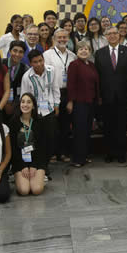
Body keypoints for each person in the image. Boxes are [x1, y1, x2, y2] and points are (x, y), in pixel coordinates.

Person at [95, 26, 127, 163]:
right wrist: (98, 95)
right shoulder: (99, 53)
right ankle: (109, 153)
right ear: (105, 36)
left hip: (123, 96)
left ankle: (121, 154)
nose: (112, 36)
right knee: (108, 126)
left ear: (119, 35)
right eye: (109, 34)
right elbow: (97, 76)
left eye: (115, 33)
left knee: (121, 126)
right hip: (106, 97)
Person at [20, 50, 60, 171]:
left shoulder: (51, 71)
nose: (38, 64)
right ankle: (37, 165)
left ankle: (45, 165)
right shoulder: (27, 77)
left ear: (43, 59)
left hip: (49, 110)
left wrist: (57, 105)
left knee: (50, 139)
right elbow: (24, 96)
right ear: (30, 63)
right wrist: (27, 114)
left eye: (40, 60)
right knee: (37, 140)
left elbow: (55, 88)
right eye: (35, 62)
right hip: (35, 113)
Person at [43, 29, 77, 163]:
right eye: (59, 37)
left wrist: (71, 99)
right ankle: (51, 153)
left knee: (65, 124)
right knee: (52, 125)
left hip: (67, 92)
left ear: (68, 38)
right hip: (52, 92)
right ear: (54, 39)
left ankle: (63, 152)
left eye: (65, 37)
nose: (62, 39)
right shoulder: (47, 55)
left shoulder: (73, 55)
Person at [67, 41, 100, 167]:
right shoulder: (74, 65)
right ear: (77, 51)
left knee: (87, 130)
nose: (83, 51)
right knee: (79, 131)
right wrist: (70, 101)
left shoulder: (91, 65)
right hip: (79, 103)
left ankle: (85, 155)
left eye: (86, 49)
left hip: (90, 102)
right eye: (81, 49)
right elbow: (71, 84)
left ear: (90, 51)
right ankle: (78, 159)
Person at [9, 93, 47, 196]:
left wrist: (34, 165)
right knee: (24, 191)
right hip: (20, 162)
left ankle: (39, 177)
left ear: (33, 105)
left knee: (36, 190)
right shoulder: (13, 122)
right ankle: (22, 179)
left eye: (29, 102)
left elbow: (42, 147)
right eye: (23, 102)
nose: (25, 105)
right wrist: (23, 166)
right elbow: (13, 148)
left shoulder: (40, 121)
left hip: (37, 161)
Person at [2, 40, 29, 117]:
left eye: (21, 52)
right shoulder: (0, 64)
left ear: (23, 54)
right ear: (10, 51)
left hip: (17, 104)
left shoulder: (25, 68)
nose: (17, 54)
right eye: (15, 51)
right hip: (1, 102)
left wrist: (15, 104)